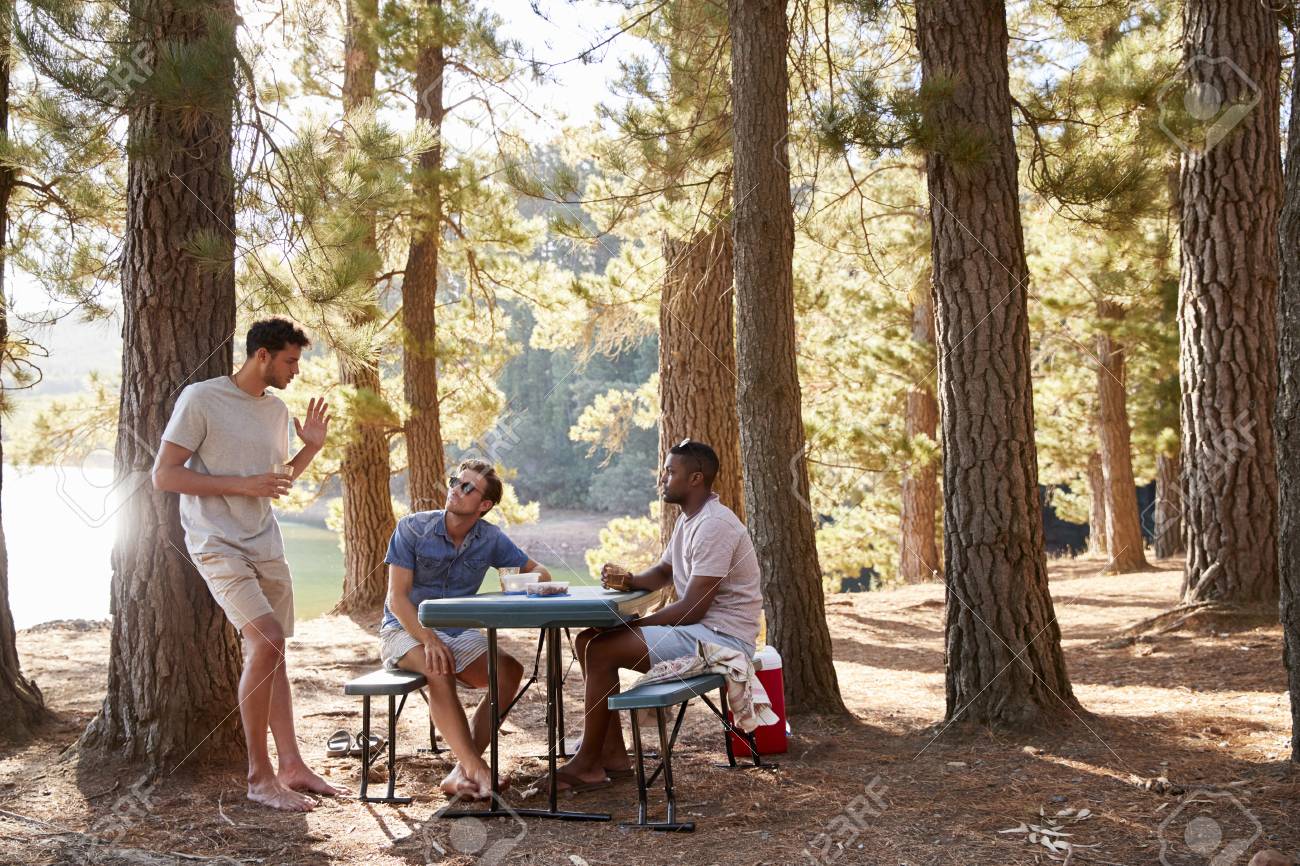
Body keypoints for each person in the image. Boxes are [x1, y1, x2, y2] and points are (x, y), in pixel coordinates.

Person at [153, 318, 343, 812]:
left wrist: (312, 448)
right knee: (268, 639)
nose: (295, 371)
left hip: (266, 543)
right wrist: (240, 486)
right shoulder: (202, 399)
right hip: (217, 542)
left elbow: (274, 481)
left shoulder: (277, 410)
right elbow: (164, 475)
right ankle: (259, 778)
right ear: (262, 355)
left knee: (274, 652)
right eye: (290, 361)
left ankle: (293, 766)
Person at [556, 439, 762, 791]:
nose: (662, 479)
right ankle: (613, 757)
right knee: (588, 639)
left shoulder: (714, 526)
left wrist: (634, 623)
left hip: (721, 639)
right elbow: (665, 571)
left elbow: (694, 607)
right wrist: (630, 580)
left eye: (670, 472)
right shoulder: (690, 520)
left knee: (602, 648)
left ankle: (587, 764)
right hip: (701, 630)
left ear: (696, 478)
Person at [381, 459, 552, 799]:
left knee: (508, 671)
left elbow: (542, 573)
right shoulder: (412, 528)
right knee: (437, 666)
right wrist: (428, 639)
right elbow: (397, 600)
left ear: (484, 504)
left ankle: (461, 770)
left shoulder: (489, 538)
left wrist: (516, 581)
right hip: (404, 629)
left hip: (458, 633)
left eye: (467, 487)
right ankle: (476, 768)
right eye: (455, 482)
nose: (455, 490)